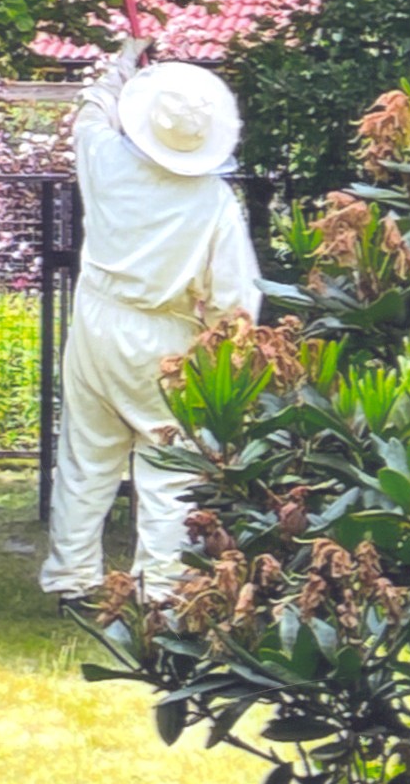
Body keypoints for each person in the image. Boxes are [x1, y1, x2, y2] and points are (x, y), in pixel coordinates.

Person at [39, 37, 262, 607]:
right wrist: (222, 355)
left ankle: (71, 578)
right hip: (169, 336)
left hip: (96, 323)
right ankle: (160, 588)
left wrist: (122, 63)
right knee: (168, 467)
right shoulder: (213, 201)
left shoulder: (106, 162)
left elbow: (91, 111)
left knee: (86, 456)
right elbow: (235, 295)